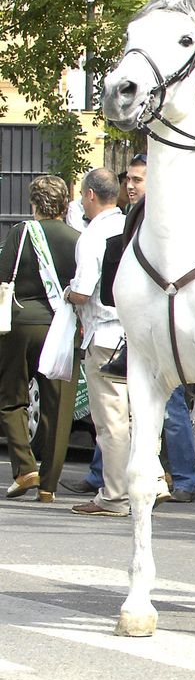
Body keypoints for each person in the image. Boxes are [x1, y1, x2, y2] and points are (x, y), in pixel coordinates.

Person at [68, 153, 195, 503]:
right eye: (130, 179)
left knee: (156, 411)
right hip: (129, 329)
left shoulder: (166, 225)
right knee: (129, 412)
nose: (131, 185)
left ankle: (171, 481)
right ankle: (121, 476)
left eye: (139, 180)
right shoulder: (128, 222)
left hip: (155, 331)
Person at [0, 176, 78, 503]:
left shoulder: (20, 233)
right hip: (60, 327)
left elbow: (4, 276)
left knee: (11, 397)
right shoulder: (78, 238)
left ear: (35, 203)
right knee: (58, 407)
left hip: (21, 323)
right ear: (65, 203)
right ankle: (48, 487)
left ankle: (25, 466)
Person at [64, 170, 131, 516]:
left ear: (89, 195)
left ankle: (115, 495)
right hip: (139, 334)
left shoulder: (93, 236)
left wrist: (67, 292)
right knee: (139, 417)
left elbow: (83, 290)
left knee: (111, 421)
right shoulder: (132, 227)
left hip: (104, 336)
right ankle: (152, 484)